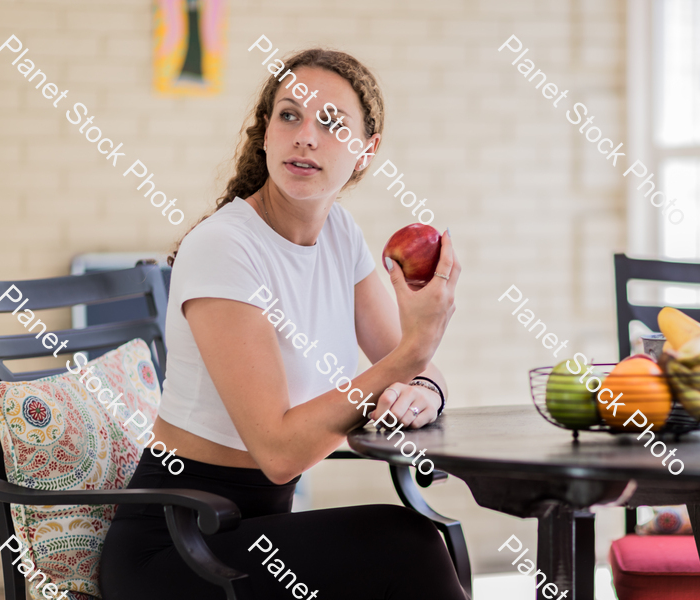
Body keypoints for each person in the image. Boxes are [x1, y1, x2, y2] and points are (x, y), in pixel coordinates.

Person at [100, 48, 466, 600]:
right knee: (405, 545)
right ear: (266, 133)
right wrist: (408, 361)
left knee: (408, 543)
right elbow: (278, 453)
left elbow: (416, 362)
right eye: (289, 115)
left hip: (250, 537)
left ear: (366, 152)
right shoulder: (224, 247)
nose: (305, 137)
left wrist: (427, 390)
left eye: (331, 124)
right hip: (178, 549)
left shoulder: (340, 234)